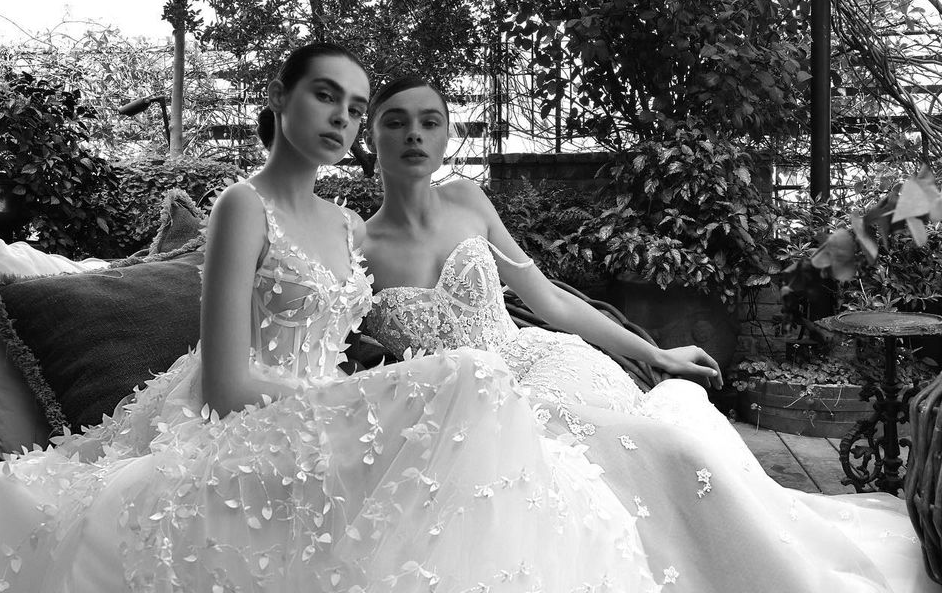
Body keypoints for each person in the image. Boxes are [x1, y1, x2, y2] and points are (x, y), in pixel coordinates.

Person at [0, 45, 658, 593]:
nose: (342, 117)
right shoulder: (243, 204)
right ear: (282, 97)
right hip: (244, 416)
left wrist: (389, 386)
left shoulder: (347, 224)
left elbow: (366, 338)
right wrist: (363, 401)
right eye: (326, 95)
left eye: (355, 108)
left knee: (473, 405)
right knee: (469, 384)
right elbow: (226, 385)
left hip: (327, 412)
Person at [360, 75, 936, 593]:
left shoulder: (467, 200)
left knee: (673, 450)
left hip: (539, 365)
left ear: (447, 136)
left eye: (429, 121)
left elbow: (550, 301)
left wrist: (658, 353)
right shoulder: (354, 244)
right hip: (460, 414)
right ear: (370, 134)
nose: (414, 134)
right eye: (396, 121)